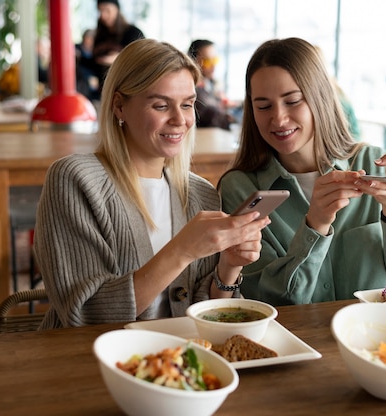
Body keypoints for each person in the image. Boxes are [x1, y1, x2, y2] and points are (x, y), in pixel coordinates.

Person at [33, 39, 270, 329]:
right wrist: (182, 250)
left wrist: (229, 267)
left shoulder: (200, 194)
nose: (180, 120)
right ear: (119, 106)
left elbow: (203, 315)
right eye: (161, 105)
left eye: (187, 105)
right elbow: (84, 315)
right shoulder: (75, 180)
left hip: (175, 362)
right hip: (93, 361)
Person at [218, 37, 386, 306]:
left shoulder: (370, 162)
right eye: (263, 106)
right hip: (298, 344)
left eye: (293, 101)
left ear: (320, 98)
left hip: (377, 340)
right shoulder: (240, 189)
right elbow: (270, 303)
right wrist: (315, 225)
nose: (279, 118)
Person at [90, 0, 145, 99]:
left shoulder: (133, 33)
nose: (103, 15)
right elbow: (94, 63)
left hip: (130, 92)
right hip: (104, 92)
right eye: (100, 11)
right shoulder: (100, 36)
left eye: (107, 10)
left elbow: (144, 61)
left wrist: (120, 59)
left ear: (117, 10)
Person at [188, 39, 238, 130]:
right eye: (208, 61)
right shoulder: (190, 90)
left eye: (214, 60)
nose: (213, 66)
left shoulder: (212, 84)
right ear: (193, 61)